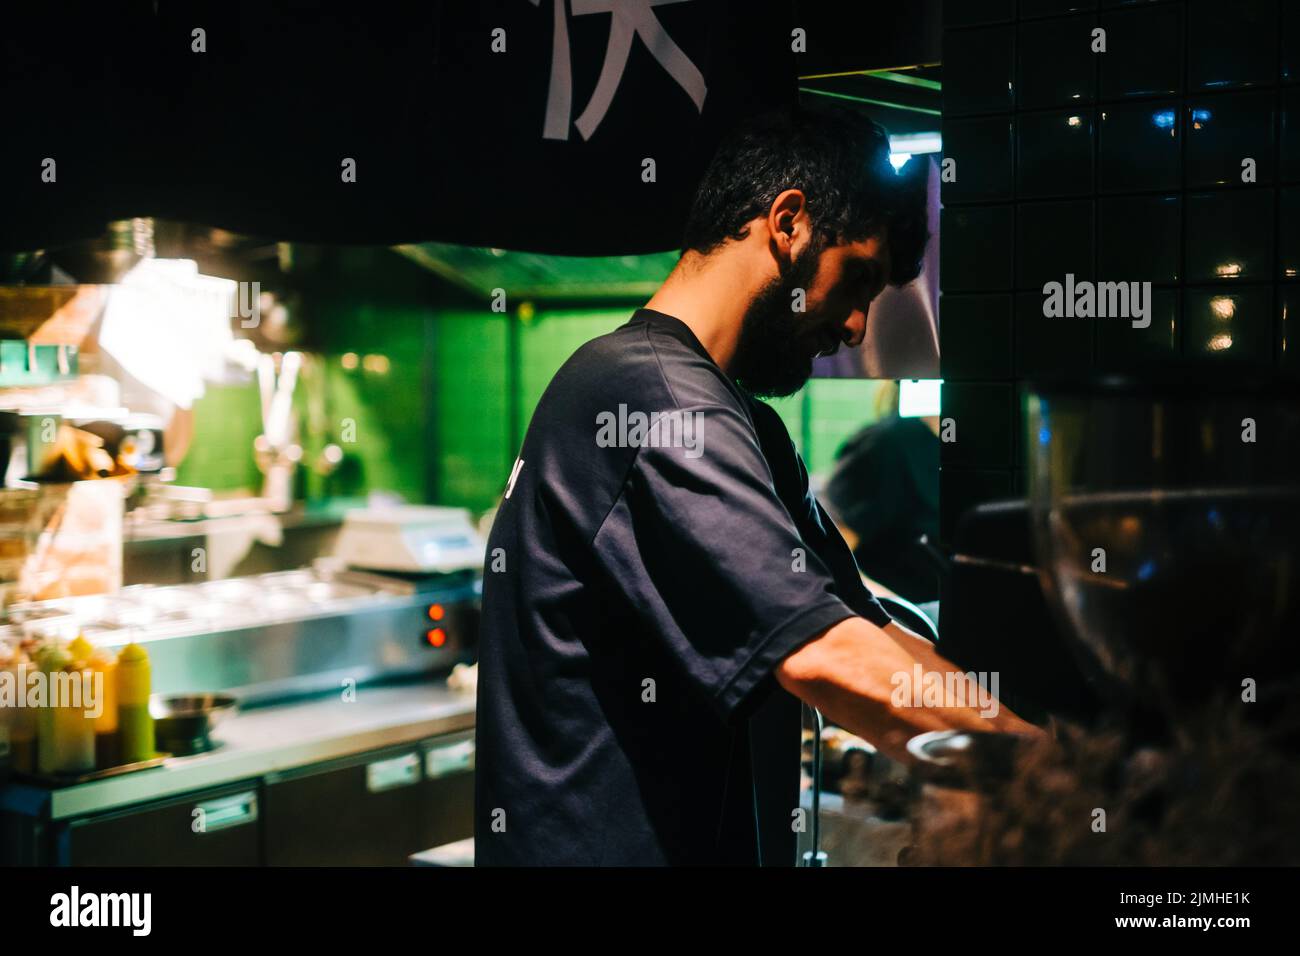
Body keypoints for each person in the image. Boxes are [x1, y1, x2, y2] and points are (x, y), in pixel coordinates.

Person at [475, 104, 1037, 867]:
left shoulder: (741, 422)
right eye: (858, 280)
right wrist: (1056, 779)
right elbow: (823, 656)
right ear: (789, 223)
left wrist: (1032, 746)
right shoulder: (651, 394)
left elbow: (866, 631)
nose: (855, 330)